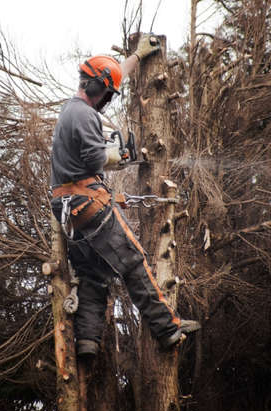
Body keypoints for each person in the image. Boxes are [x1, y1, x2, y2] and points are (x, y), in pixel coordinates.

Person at [50, 33, 200, 356]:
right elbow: (93, 158)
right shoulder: (85, 114)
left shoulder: (70, 112)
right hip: (88, 205)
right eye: (104, 92)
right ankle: (168, 328)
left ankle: (87, 343)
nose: (106, 98)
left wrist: (136, 56)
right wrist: (113, 155)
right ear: (94, 87)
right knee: (133, 261)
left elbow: (112, 73)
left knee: (92, 275)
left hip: (68, 215)